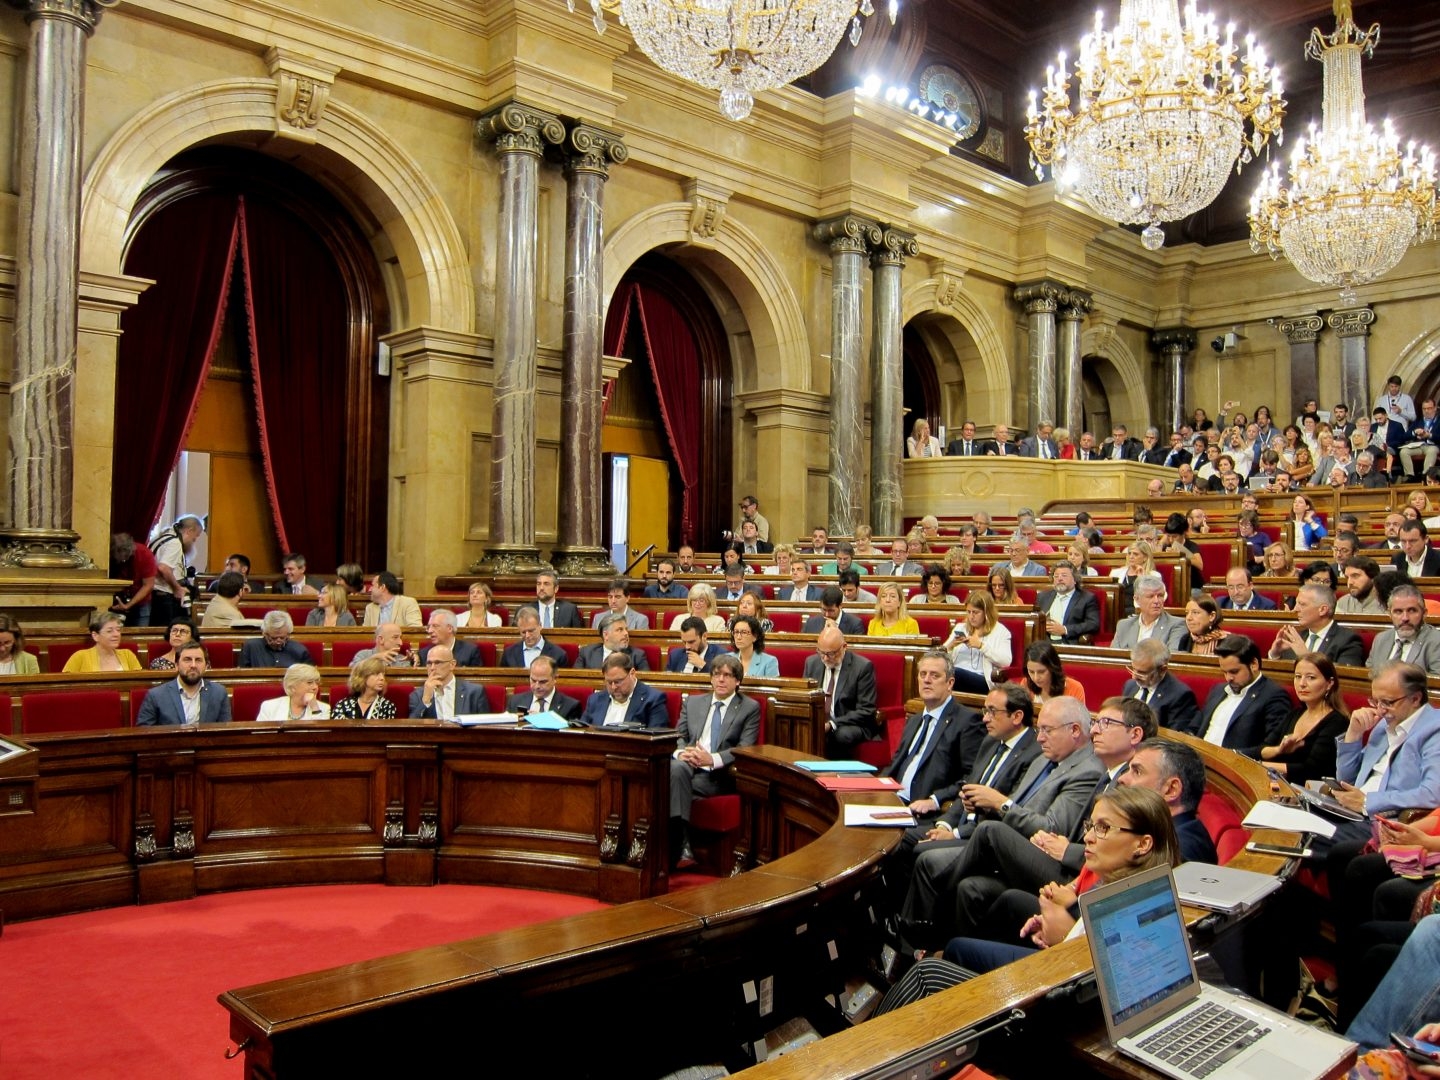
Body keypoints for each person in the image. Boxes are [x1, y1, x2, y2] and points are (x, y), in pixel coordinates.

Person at [896, 696, 1105, 945]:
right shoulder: (1044, 760)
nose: (1039, 738)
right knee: (962, 881)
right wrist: (984, 805)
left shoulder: (1087, 770)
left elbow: (1050, 829)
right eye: (1039, 729)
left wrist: (999, 804)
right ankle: (943, 949)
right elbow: (1015, 806)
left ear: (1074, 730)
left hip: (1041, 857)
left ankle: (922, 928)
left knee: (983, 834)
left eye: (1047, 730)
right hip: (1007, 844)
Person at [670, 653, 761, 866]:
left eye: (727, 675)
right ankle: (682, 845)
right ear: (710, 678)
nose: (721, 680)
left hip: (718, 775)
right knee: (676, 769)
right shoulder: (693, 702)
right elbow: (678, 736)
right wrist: (682, 752)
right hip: (687, 765)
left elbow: (745, 748)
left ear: (738, 681)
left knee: (668, 785)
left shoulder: (749, 708)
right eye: (717, 675)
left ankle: (678, 846)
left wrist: (711, 759)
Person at [883, 650, 982, 829]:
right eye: (923, 674)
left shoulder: (967, 721)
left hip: (925, 813)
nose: (927, 680)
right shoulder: (914, 720)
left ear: (950, 683)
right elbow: (896, 764)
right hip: (894, 802)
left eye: (934, 675)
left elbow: (972, 777)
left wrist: (935, 800)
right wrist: (874, 787)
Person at [1190, 634, 1292, 756]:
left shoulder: (1273, 696)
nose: (1228, 678)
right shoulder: (1218, 690)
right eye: (1224, 672)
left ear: (1254, 664)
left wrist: (1228, 755)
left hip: (1232, 766)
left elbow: (1271, 748)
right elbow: (1195, 727)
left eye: (1234, 672)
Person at [1257, 652, 1347, 785]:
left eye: (1311, 678)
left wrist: (1260, 766)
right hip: (1280, 784)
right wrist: (1278, 750)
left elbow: (1312, 771)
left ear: (1329, 683)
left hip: (1309, 793)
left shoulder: (1337, 722)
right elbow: (1262, 749)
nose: (1302, 684)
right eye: (1298, 677)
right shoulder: (1295, 713)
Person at [805, 626, 877, 759]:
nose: (825, 659)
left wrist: (832, 724)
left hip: (849, 723)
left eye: (831, 654)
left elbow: (866, 710)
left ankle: (835, 774)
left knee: (840, 735)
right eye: (821, 652)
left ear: (844, 646)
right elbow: (805, 698)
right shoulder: (812, 663)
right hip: (819, 720)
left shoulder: (862, 667)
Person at [1267, 582, 1366, 666]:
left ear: (1322, 610)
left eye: (1302, 604)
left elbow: (1345, 679)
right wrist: (1275, 654)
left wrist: (1306, 656)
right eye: (1296, 603)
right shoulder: (1297, 637)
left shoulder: (1348, 640)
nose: (1295, 609)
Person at [134, 641, 230, 725]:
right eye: (187, 660)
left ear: (207, 666)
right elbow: (144, 732)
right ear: (176, 665)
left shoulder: (219, 693)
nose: (193, 665)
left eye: (198, 660)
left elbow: (225, 733)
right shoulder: (156, 695)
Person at [1121, 639, 1199, 733]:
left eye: (1142, 673)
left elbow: (1173, 739)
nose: (1134, 677)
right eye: (1133, 669)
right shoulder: (1130, 685)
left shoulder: (1180, 695)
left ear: (1162, 670)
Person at [943, 591, 1012, 694]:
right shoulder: (961, 627)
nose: (971, 617)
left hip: (983, 679)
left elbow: (1006, 661)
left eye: (975, 612)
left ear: (986, 613)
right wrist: (951, 646)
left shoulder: (1001, 632)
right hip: (956, 675)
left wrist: (981, 646)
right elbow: (940, 655)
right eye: (969, 612)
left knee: (953, 673)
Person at [1369, 584, 1440, 679]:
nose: (1405, 618)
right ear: (1389, 614)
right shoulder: (1380, 639)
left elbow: (1436, 685)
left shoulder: (1436, 641)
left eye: (1412, 611)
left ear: (1424, 614)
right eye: (1398, 611)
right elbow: (1369, 675)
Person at [583, 652, 669, 729]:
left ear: (632, 673)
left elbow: (655, 739)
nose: (613, 687)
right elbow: (582, 731)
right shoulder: (595, 700)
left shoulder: (653, 700)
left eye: (618, 682)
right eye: (609, 682)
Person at [147, 514, 203, 626]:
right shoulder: (174, 543)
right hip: (165, 597)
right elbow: (164, 568)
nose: (195, 540)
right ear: (190, 530)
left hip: (155, 594)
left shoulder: (162, 537)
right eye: (196, 536)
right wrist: (177, 588)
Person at [1110, 572, 1185, 651]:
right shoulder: (1124, 625)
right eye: (1150, 596)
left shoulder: (1177, 625)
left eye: (1160, 596)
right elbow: (1114, 657)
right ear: (1137, 599)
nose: (1156, 601)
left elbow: (1172, 656)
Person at [408, 645, 488, 719]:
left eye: (437, 663)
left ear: (452, 665)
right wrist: (425, 700)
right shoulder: (418, 695)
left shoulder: (474, 692)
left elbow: (485, 726)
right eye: (429, 663)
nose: (432, 668)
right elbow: (411, 728)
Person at [1034, 563, 1100, 645]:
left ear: (1075, 580)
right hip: (1044, 644)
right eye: (1056, 576)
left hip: (1069, 643)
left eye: (1064, 575)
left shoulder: (1087, 598)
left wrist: (1065, 629)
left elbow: (1093, 624)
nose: (1059, 579)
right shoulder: (1042, 596)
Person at [506, 655, 582, 720]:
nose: (537, 686)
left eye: (543, 682)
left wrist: (542, 720)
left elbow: (569, 734)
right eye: (533, 680)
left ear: (555, 678)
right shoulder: (515, 701)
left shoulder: (570, 706)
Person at [63, 612, 142, 672]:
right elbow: (64, 686)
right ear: (95, 636)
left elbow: (139, 683)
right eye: (109, 631)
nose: (116, 634)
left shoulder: (128, 655)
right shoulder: (80, 657)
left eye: (118, 630)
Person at [576, 611, 651, 671]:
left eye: (626, 629)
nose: (626, 633)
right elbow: (576, 681)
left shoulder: (637, 655)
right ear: (606, 635)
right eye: (620, 630)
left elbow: (645, 685)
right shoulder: (586, 653)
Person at [238, 610, 314, 668]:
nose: (278, 641)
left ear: (288, 634)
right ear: (264, 633)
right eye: (273, 638)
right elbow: (241, 676)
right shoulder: (250, 647)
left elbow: (308, 678)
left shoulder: (300, 651)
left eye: (282, 638)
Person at [256, 662, 330, 722]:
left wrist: (314, 708)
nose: (315, 687)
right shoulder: (270, 706)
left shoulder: (323, 708)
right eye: (309, 682)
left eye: (317, 683)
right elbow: (260, 736)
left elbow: (320, 737)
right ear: (292, 687)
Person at [109, 532, 156, 625]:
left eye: (125, 557)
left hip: (141, 602)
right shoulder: (109, 555)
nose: (123, 560)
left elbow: (148, 585)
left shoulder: (144, 553)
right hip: (117, 600)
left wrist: (128, 605)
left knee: (140, 634)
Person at [330, 657, 398, 720]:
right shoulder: (343, 705)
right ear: (363, 677)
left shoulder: (387, 706)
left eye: (383, 674)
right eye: (376, 674)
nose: (382, 678)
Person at [499, 607, 568, 669]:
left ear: (540, 626)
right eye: (523, 632)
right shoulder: (509, 653)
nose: (527, 636)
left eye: (531, 631)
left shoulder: (558, 655)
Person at [1022, 640, 1084, 706]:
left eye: (1041, 672)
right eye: (1031, 672)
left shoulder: (1075, 687)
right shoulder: (1026, 683)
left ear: (1053, 668)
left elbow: (1078, 715)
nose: (1036, 678)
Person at [729, 613, 779, 678]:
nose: (738, 637)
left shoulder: (769, 662)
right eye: (736, 632)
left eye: (744, 632)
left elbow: (773, 687)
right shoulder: (727, 659)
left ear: (755, 636)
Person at [351, 621, 418, 668]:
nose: (401, 643)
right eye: (395, 637)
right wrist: (374, 658)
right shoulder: (363, 655)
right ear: (381, 640)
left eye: (400, 638)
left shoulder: (402, 659)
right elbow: (353, 671)